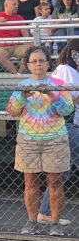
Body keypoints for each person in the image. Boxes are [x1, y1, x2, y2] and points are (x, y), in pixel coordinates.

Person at [7, 47, 74, 237]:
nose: (38, 64)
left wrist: (52, 95)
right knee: (30, 182)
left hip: (55, 139)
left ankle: (55, 222)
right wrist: (22, 96)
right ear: (28, 65)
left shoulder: (59, 84)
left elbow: (67, 110)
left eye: (41, 60)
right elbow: (12, 111)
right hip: (28, 139)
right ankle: (32, 221)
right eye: (34, 61)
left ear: (48, 63)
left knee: (55, 182)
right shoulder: (23, 85)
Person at [38, 40, 79, 225]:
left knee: (63, 172)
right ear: (74, 53)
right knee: (61, 171)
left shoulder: (72, 71)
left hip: (71, 125)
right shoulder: (66, 70)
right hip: (70, 125)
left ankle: (44, 212)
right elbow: (71, 98)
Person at [0, 0, 32, 73]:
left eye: (17, 4)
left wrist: (28, 43)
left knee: (28, 53)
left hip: (17, 46)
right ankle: (15, 74)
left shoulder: (19, 18)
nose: (17, 6)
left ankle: (20, 74)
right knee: (0, 55)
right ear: (6, 5)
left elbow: (24, 32)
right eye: (14, 4)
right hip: (2, 47)